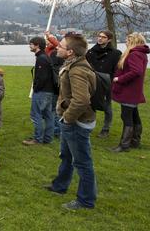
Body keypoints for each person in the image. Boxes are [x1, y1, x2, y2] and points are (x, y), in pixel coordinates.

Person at [45, 33, 97, 211]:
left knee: (82, 162)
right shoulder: (73, 64)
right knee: (66, 156)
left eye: (60, 45)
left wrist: (67, 119)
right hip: (70, 120)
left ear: (70, 52)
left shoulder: (78, 70)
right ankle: (60, 186)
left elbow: (81, 100)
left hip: (77, 123)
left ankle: (85, 201)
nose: (57, 47)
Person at [111, 32, 149, 152]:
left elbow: (136, 71)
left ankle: (124, 145)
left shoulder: (135, 54)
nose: (126, 42)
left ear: (133, 41)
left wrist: (119, 79)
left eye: (127, 40)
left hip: (129, 91)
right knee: (134, 116)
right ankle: (135, 141)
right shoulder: (140, 54)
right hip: (133, 91)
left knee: (126, 117)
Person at [85, 30, 122, 138]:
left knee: (107, 106)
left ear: (109, 39)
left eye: (103, 37)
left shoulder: (116, 53)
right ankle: (89, 125)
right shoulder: (91, 52)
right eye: (99, 36)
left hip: (107, 83)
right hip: (92, 82)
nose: (100, 38)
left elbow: (117, 69)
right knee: (90, 104)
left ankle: (105, 129)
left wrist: (112, 80)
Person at [23, 36, 56, 145]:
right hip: (49, 91)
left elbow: (42, 77)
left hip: (42, 92)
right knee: (48, 115)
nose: (30, 46)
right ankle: (48, 138)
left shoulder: (41, 58)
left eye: (31, 44)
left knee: (36, 115)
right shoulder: (45, 56)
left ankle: (37, 139)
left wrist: (36, 88)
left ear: (37, 45)